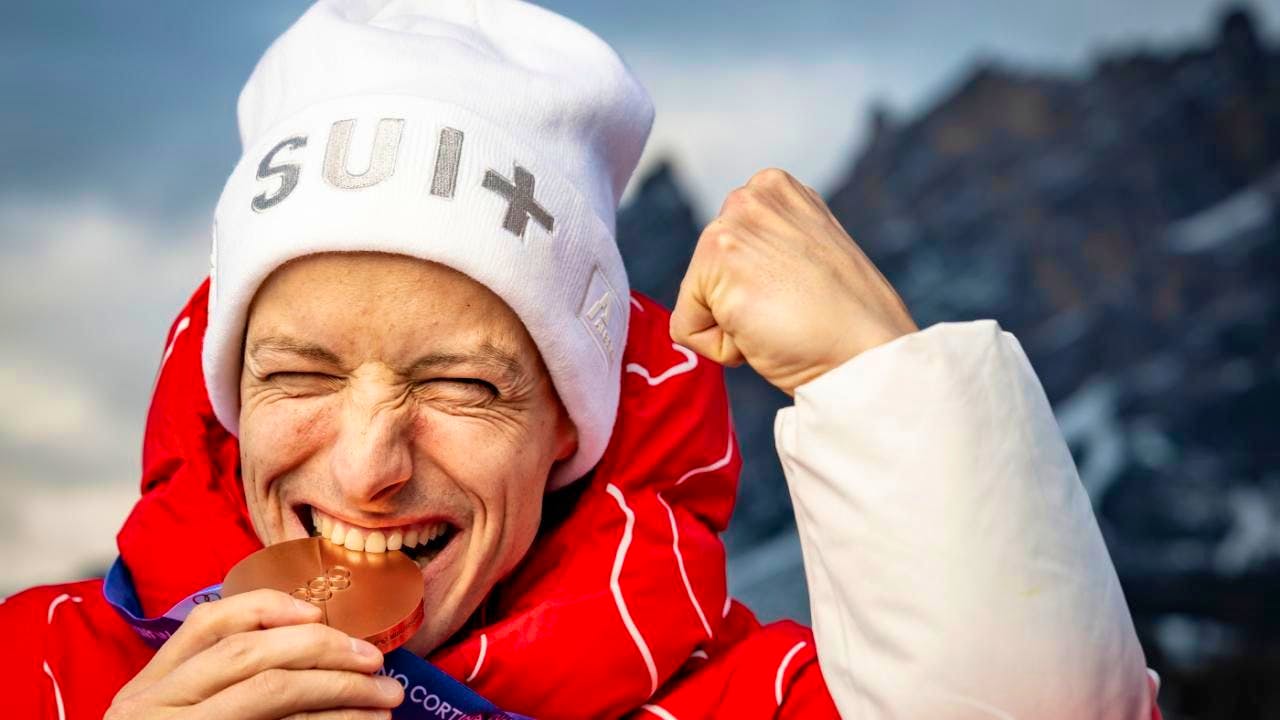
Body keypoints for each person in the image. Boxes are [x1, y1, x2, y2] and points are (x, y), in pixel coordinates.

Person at [1, 1, 1163, 718]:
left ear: (568, 421)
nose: (365, 470)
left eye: (459, 383)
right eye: (297, 374)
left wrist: (886, 383)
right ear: (225, 391)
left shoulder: (741, 706)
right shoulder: (41, 674)